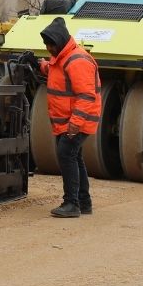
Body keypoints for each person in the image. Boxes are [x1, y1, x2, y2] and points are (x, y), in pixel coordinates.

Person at [39, 17, 102, 218]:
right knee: (74, 157)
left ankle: (71, 204)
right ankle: (84, 203)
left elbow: (86, 96)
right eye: (46, 45)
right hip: (67, 122)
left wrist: (75, 124)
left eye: (51, 44)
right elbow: (54, 70)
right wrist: (38, 64)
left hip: (77, 122)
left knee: (66, 155)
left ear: (60, 41)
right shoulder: (63, 57)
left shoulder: (78, 61)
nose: (48, 48)